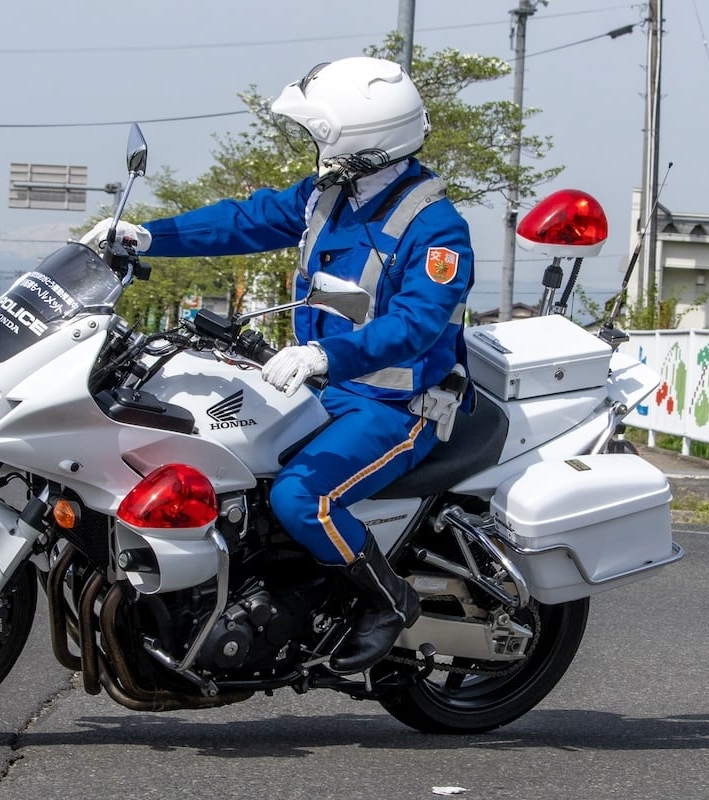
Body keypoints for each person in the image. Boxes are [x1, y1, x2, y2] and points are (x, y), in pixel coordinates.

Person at [82, 56, 474, 674]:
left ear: (362, 143)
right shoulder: (329, 196)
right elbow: (245, 220)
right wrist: (150, 236)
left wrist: (325, 353)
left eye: (322, 133)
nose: (313, 144)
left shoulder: (436, 229)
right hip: (321, 389)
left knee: (301, 499)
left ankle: (385, 601)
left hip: (395, 406)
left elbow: (416, 326)